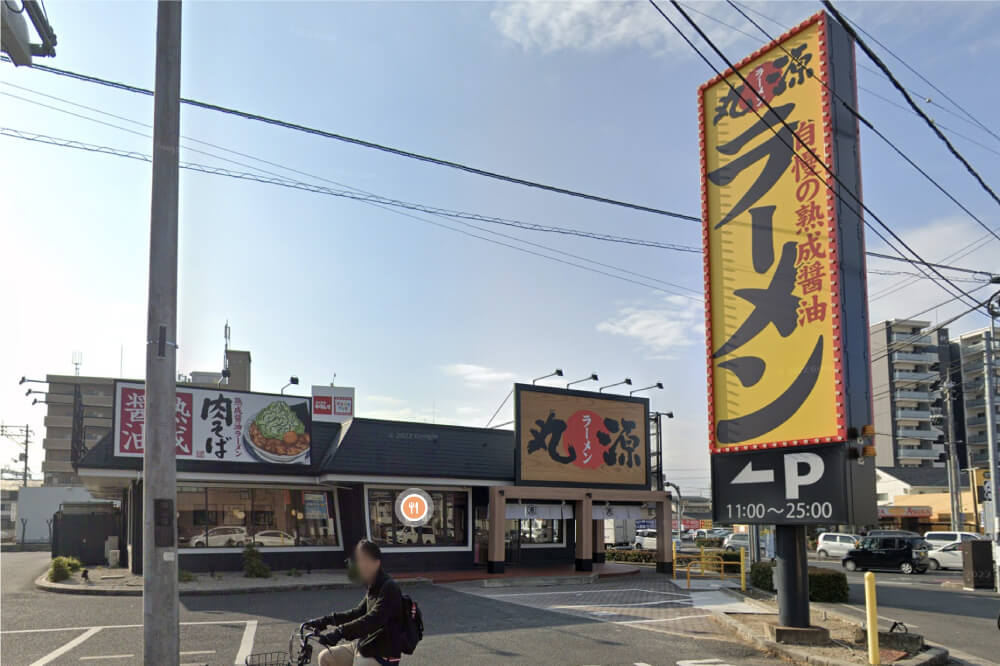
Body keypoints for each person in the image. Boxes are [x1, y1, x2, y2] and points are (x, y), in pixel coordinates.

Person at [305, 540, 403, 666]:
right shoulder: (373, 586)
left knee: (360, 663)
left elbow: (372, 620)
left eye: (361, 560)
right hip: (365, 645)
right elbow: (357, 613)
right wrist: (325, 621)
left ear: (375, 563)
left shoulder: (389, 588)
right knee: (326, 658)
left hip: (383, 654)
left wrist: (340, 632)